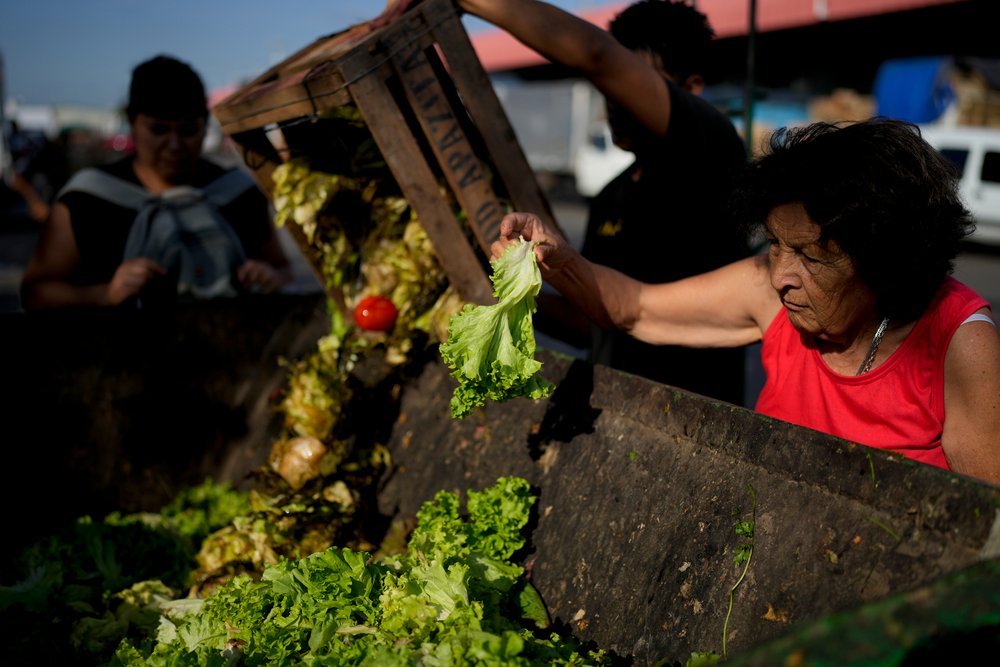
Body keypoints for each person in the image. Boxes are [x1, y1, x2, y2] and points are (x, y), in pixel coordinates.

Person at [490, 117, 1000, 486]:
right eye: (777, 244)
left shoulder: (962, 345)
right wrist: (560, 260)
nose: (781, 276)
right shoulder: (769, 293)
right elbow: (635, 309)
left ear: (886, 263)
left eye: (811, 258)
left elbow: (984, 539)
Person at [458, 0, 750, 404]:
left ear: (692, 91)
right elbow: (595, 319)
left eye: (626, 83)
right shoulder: (611, 193)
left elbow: (595, 56)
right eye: (608, 88)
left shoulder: (713, 150)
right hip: (621, 416)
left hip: (699, 420)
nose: (612, 100)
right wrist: (510, 292)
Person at [20, 55, 292, 310]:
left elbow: (282, 268)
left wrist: (269, 277)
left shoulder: (238, 192)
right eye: (158, 129)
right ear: (132, 122)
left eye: (187, 130)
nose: (174, 145)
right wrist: (105, 294)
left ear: (204, 125)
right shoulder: (87, 200)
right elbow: (35, 292)